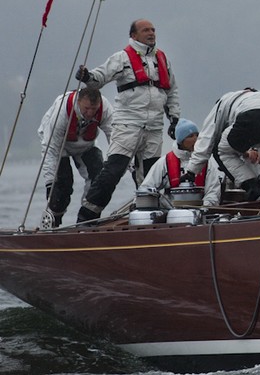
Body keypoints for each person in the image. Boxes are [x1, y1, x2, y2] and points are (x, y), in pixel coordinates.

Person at [75, 19, 180, 223]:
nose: (151, 33)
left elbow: (172, 90)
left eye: (153, 29)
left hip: (154, 127)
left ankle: (148, 216)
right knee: (113, 171)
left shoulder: (162, 59)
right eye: (146, 30)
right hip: (128, 124)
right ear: (133, 35)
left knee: (151, 175)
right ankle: (87, 216)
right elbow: (100, 77)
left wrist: (174, 118)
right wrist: (87, 76)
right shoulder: (122, 58)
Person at [184, 88, 260, 203]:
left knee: (223, 151)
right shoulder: (259, 96)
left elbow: (206, 138)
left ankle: (253, 188)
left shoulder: (221, 105)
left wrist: (191, 171)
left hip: (252, 115)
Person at [37, 87, 113, 228]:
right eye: (86, 109)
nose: (90, 113)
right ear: (78, 102)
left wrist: (128, 164)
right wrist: (50, 183)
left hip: (86, 145)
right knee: (62, 187)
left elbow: (115, 138)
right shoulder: (61, 111)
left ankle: (87, 220)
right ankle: (52, 222)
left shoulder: (105, 108)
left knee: (100, 179)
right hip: (59, 146)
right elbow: (51, 149)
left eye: (94, 109)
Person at [139, 119, 222, 207]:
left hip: (200, 212)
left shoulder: (206, 163)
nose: (196, 139)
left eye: (197, 135)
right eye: (190, 136)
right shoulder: (165, 162)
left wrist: (204, 207)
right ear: (181, 141)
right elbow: (146, 188)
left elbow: (213, 192)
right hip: (170, 213)